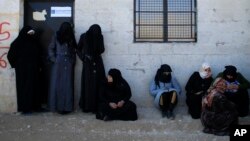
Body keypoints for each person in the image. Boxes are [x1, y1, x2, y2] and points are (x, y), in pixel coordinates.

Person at [7, 26, 41, 114]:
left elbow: (38, 55)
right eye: (29, 33)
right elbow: (10, 56)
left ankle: (35, 106)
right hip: (22, 71)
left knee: (35, 87)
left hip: (34, 69)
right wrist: (16, 65)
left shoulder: (34, 42)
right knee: (24, 88)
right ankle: (25, 108)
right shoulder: (17, 43)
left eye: (32, 33)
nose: (30, 35)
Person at [47, 22, 77, 114]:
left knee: (67, 85)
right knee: (57, 85)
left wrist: (72, 61)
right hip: (58, 63)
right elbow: (51, 48)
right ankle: (57, 107)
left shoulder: (71, 37)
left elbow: (73, 50)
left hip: (68, 63)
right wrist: (54, 59)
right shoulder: (56, 35)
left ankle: (67, 107)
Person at [77, 24, 106, 113]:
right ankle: (87, 106)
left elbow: (102, 49)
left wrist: (97, 45)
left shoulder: (100, 37)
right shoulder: (84, 36)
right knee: (88, 84)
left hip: (97, 62)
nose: (96, 33)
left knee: (98, 83)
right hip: (88, 63)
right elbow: (78, 49)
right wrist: (84, 57)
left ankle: (96, 106)